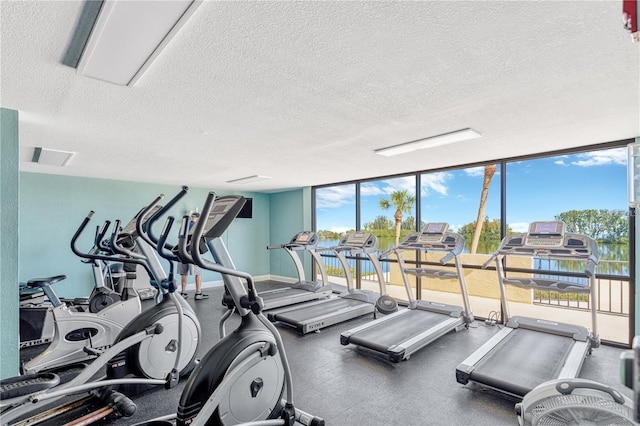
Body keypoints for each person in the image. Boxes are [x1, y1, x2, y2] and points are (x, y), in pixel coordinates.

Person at [179, 212, 208, 300]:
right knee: (198, 272)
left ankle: (183, 292)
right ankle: (198, 293)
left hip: (182, 250)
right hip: (192, 251)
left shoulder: (183, 226)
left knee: (184, 272)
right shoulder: (196, 226)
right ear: (198, 218)